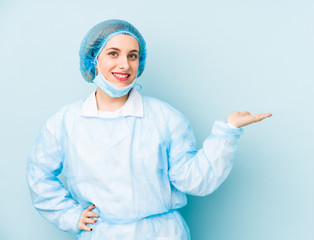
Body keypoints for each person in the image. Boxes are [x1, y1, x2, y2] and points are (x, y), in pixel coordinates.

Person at [26, 19, 272, 240]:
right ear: (94, 59)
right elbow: (39, 174)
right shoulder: (65, 122)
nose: (125, 64)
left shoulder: (165, 118)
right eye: (113, 53)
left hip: (163, 234)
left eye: (133, 55)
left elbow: (193, 180)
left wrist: (227, 132)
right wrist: (70, 216)